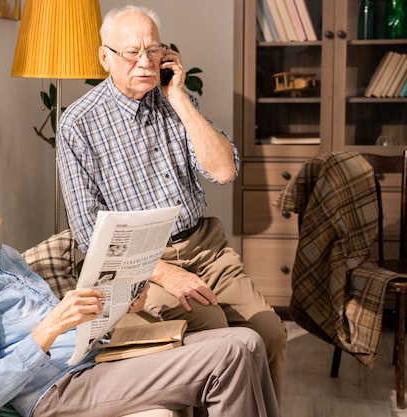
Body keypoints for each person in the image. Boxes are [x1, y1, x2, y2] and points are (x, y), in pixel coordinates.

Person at [0, 158, 280, 417]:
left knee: (248, 340)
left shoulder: (3, 255)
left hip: (92, 359)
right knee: (230, 354)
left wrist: (118, 302)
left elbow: (77, 329)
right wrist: (50, 327)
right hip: (57, 391)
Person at [56, 4, 288, 401]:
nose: (144, 62)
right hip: (143, 263)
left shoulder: (175, 99)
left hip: (206, 249)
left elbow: (224, 171)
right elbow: (86, 230)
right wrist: (161, 272)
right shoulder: (78, 124)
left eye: (153, 50)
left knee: (270, 333)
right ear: (104, 56)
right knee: (216, 330)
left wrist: (178, 98)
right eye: (131, 52)